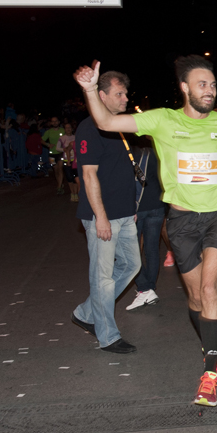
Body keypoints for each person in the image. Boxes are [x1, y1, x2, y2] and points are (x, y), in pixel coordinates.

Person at [73, 55, 217, 407]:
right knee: (196, 299)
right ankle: (210, 345)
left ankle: (209, 372)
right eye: (202, 84)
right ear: (185, 88)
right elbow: (105, 120)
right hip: (181, 221)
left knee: (209, 288)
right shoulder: (162, 119)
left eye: (213, 85)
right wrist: (88, 90)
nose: (210, 90)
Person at [71, 71, 141, 355]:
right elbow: (88, 175)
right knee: (102, 278)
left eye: (126, 93)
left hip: (125, 213)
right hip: (103, 216)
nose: (125, 99)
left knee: (131, 265)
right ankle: (107, 336)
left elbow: (121, 169)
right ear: (102, 96)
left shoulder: (118, 126)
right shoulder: (90, 128)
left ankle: (86, 312)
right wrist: (100, 216)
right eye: (119, 94)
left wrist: (131, 206)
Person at [126, 138, 165, 311]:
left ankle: (144, 287)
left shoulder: (130, 154)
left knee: (130, 251)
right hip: (157, 205)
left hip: (137, 208)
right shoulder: (159, 153)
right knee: (152, 250)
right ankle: (150, 288)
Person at [57, 121, 80, 202]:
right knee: (69, 177)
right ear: (64, 129)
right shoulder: (62, 138)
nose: (68, 129)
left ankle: (76, 193)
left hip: (76, 160)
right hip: (67, 159)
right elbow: (57, 148)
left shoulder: (75, 137)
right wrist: (65, 149)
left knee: (75, 178)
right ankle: (72, 193)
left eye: (69, 127)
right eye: (66, 128)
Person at [42, 117, 66, 194]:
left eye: (56, 121)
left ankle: (59, 187)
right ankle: (60, 183)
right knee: (55, 169)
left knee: (60, 168)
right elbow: (41, 140)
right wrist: (48, 144)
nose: (55, 123)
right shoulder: (48, 132)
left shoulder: (63, 130)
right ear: (51, 123)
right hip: (52, 154)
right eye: (53, 121)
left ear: (58, 122)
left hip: (60, 152)